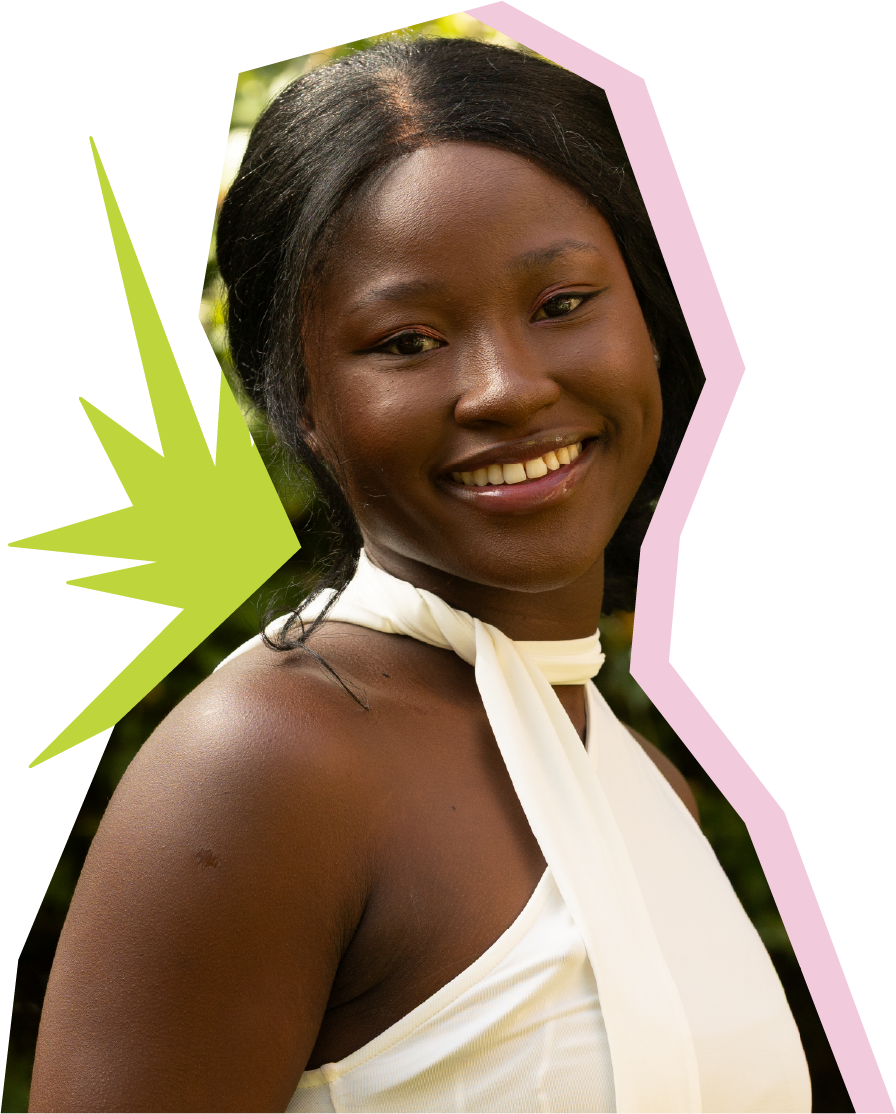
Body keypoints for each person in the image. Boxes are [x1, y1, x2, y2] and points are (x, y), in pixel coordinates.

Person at [30, 36, 811, 1114]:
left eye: (561, 304)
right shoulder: (269, 766)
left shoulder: (636, 778)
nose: (504, 388)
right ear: (296, 397)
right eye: (405, 340)